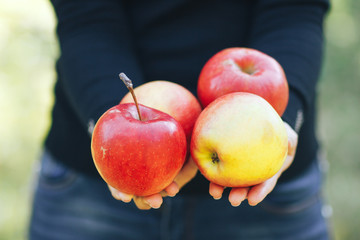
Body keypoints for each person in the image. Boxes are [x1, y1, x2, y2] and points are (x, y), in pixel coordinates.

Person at [29, 0, 331, 239]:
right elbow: (85, 15)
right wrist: (110, 130)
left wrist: (280, 125)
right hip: (93, 189)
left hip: (264, 185)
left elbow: (296, 7)